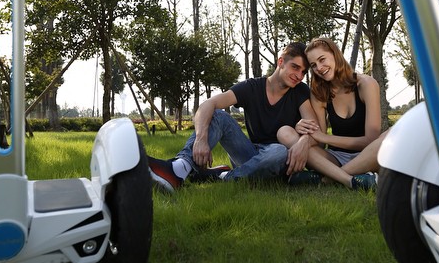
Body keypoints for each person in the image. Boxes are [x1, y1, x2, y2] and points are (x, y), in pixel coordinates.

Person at [148, 42, 318, 193]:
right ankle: (179, 168)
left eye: (303, 72)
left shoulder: (300, 91)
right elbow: (208, 104)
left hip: (280, 161)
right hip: (249, 155)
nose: (299, 76)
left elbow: (314, 128)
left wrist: (303, 141)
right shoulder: (252, 87)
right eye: (295, 67)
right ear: (281, 62)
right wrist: (201, 138)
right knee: (219, 115)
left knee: (279, 151)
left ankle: (222, 176)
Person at [277, 36, 383, 189]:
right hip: (335, 158)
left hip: (369, 154)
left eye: (322, 59)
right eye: (313, 65)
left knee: (391, 135)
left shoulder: (366, 84)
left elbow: (370, 140)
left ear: (335, 55)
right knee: (285, 132)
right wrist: (303, 136)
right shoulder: (319, 93)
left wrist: (324, 137)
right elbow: (319, 142)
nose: (319, 68)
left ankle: (328, 179)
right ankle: (353, 180)